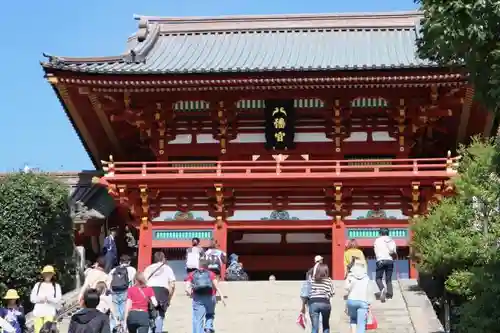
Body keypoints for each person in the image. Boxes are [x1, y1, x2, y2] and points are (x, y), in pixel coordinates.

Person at [143, 252, 175, 333]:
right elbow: (172, 284)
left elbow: (143, 282)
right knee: (160, 315)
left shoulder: (148, 268)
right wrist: (169, 298)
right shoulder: (167, 268)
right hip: (162, 291)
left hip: (149, 290)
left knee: (150, 314)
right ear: (163, 258)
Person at [185, 259, 219, 333]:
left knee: (198, 319)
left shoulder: (192, 274)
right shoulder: (211, 273)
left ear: (198, 265)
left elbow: (187, 289)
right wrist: (221, 296)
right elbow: (216, 286)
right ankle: (208, 327)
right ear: (207, 266)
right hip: (210, 296)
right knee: (210, 314)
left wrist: (191, 294)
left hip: (197, 297)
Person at [301, 264, 334, 333]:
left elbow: (307, 292)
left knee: (314, 327)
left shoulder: (312, 280)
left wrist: (304, 304)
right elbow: (332, 292)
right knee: (326, 325)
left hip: (313, 303)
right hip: (325, 303)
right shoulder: (328, 280)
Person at [30, 266, 62, 333]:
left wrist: (49, 299)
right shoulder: (37, 285)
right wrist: (40, 299)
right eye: (46, 273)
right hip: (38, 313)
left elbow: (58, 299)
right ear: (43, 274)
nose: (48, 275)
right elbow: (32, 298)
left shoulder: (56, 286)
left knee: (48, 330)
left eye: (50, 273)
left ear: (53, 275)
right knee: (38, 331)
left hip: (50, 312)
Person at [108, 254, 136, 331]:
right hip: (126, 292)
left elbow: (108, 283)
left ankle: (115, 328)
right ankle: (124, 329)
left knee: (115, 313)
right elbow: (133, 283)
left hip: (114, 292)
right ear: (129, 262)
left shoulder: (113, 270)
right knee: (125, 312)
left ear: (120, 262)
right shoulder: (132, 270)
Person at [344, 260, 372, 333]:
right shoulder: (367, 278)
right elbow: (369, 292)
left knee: (353, 319)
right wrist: (369, 303)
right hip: (363, 301)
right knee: (361, 324)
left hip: (351, 301)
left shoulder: (350, 276)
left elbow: (346, 288)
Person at [373, 228, 397, 301]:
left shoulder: (377, 240)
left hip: (380, 260)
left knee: (378, 278)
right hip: (389, 260)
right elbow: (393, 251)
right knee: (388, 279)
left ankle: (382, 289)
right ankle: (389, 295)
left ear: (380, 233)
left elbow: (375, 251)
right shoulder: (391, 240)